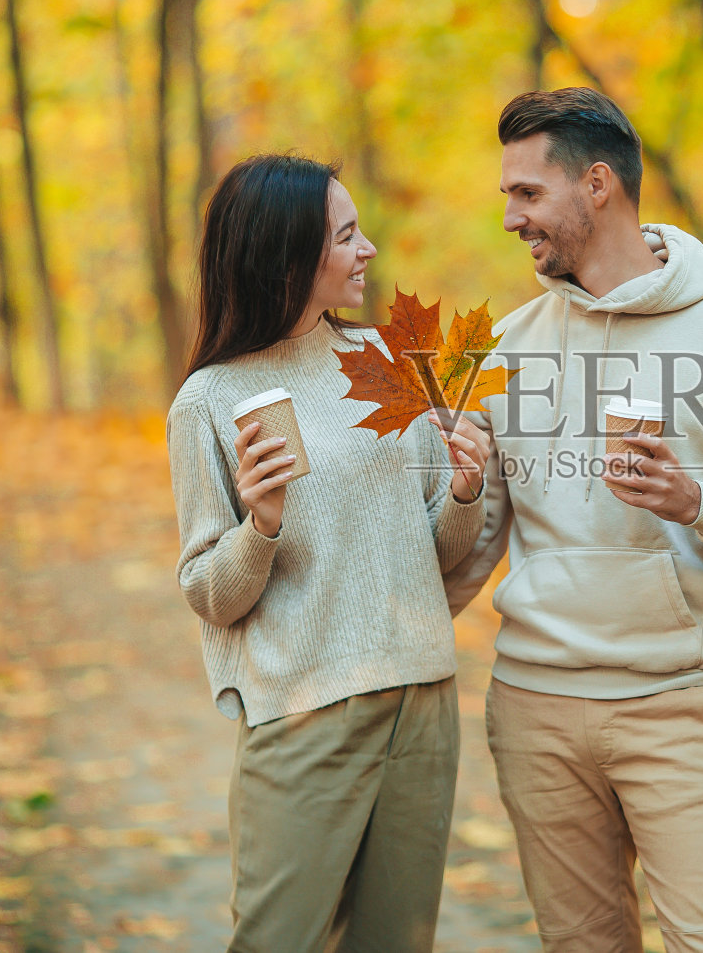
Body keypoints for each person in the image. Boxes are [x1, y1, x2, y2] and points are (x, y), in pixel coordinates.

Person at [444, 89, 703, 953]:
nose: (510, 217)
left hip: (684, 701)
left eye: (526, 194)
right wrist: (457, 495)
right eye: (507, 195)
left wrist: (696, 499)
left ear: (597, 185)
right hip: (537, 707)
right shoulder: (503, 344)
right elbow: (474, 550)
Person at [166, 153, 492, 953]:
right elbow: (209, 590)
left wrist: (463, 489)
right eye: (347, 236)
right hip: (304, 716)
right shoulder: (208, 400)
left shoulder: (383, 362)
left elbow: (437, 552)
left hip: (422, 704)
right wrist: (261, 526)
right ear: (288, 259)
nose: (368, 249)